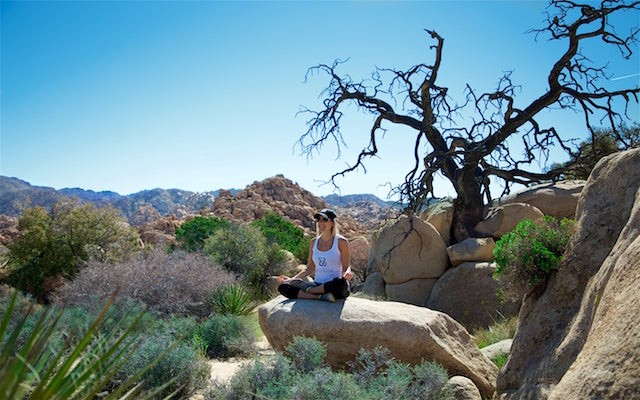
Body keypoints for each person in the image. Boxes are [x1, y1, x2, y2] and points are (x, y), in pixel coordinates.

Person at [277, 208, 353, 302]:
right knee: (284, 287)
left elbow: (346, 266)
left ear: (332, 223)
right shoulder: (313, 242)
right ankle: (320, 296)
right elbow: (309, 268)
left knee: (341, 283)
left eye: (325, 220)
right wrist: (291, 279)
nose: (321, 223)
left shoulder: (341, 242)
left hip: (333, 286)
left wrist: (347, 272)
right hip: (317, 284)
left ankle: (311, 291)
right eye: (319, 220)